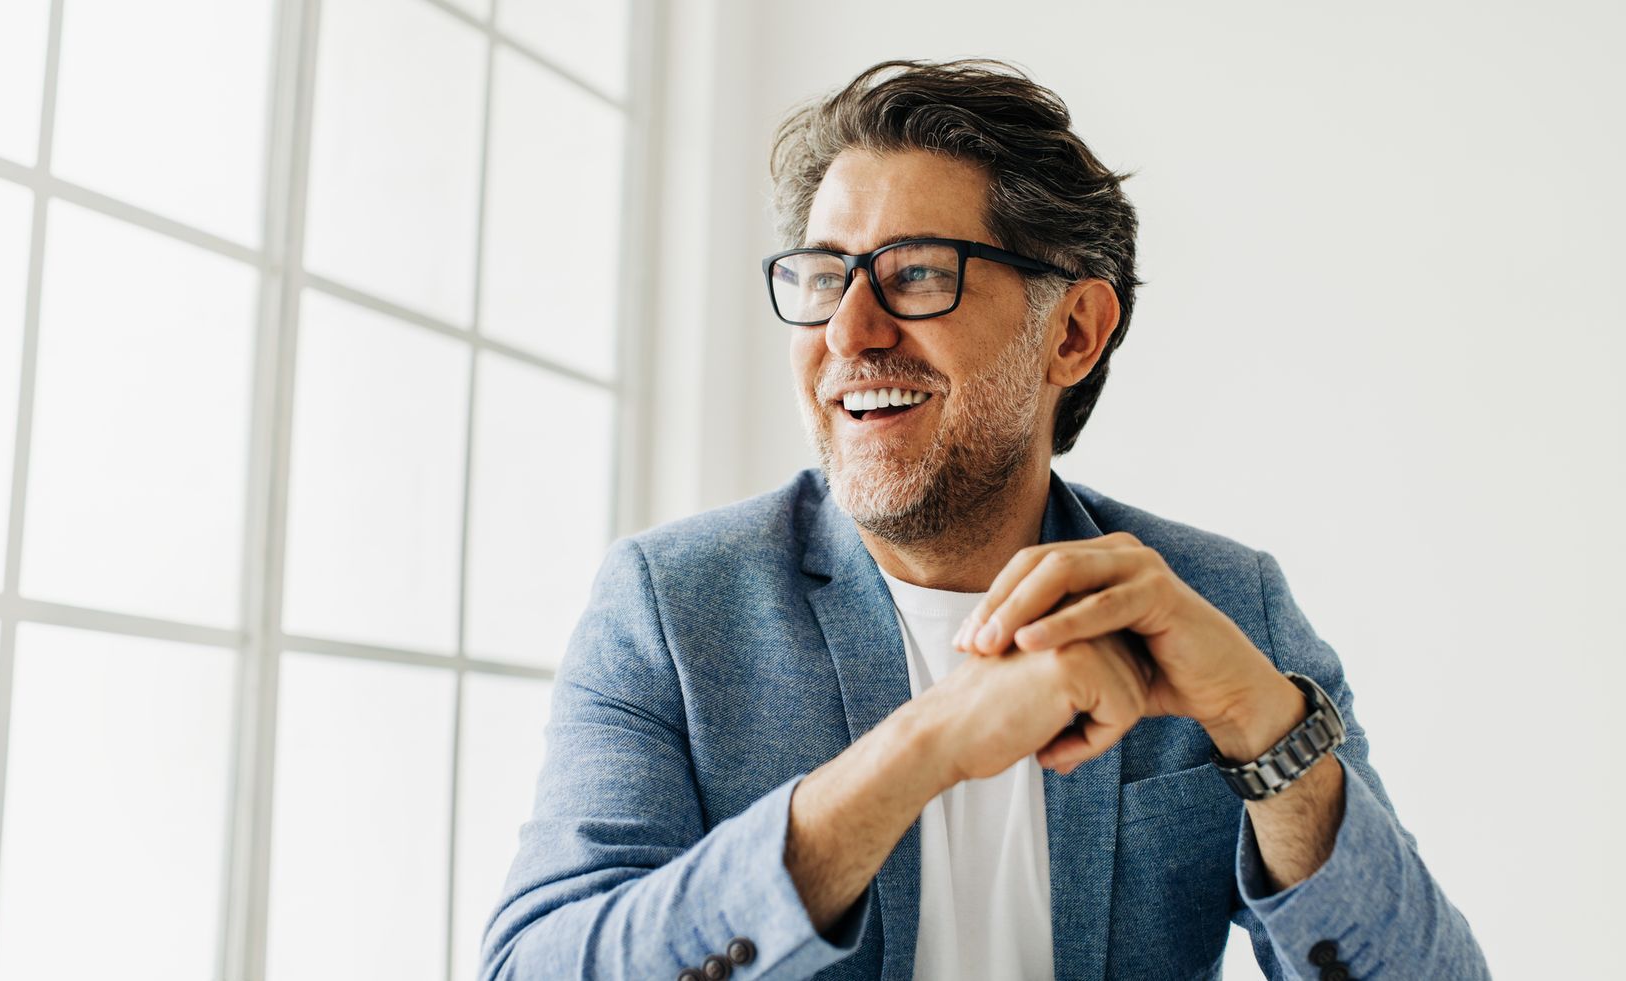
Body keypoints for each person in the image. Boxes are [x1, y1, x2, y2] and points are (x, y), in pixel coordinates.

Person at [476, 59, 1488, 980]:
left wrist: (1270, 736)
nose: (849, 332)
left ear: (1076, 332)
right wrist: (918, 750)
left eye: (916, 272)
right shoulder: (671, 606)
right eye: (825, 275)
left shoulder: (1225, 609)